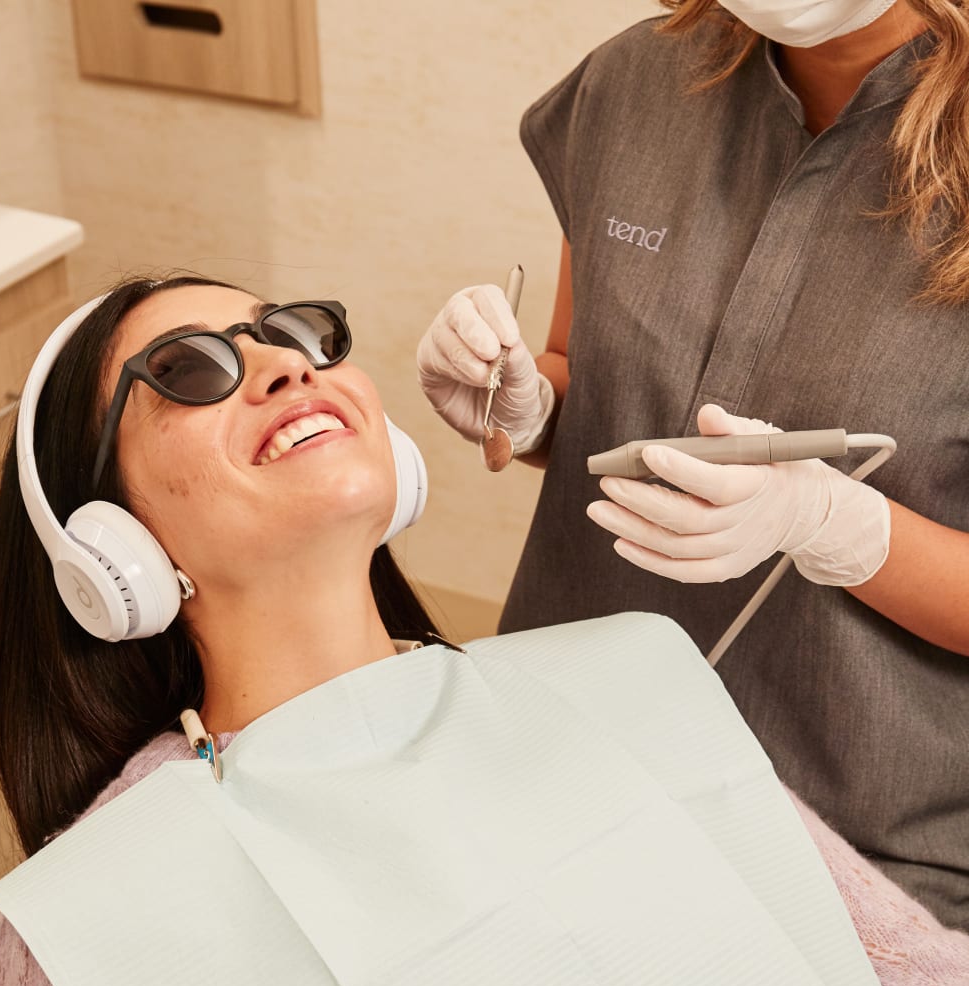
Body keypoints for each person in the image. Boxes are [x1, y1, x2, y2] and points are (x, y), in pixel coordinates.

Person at [0, 276, 969, 986]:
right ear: (110, 547)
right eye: (189, 369)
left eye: (289, 330)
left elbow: (917, 972)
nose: (283, 362)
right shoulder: (99, 905)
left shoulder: (625, 681)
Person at [415, 0, 969, 934]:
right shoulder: (636, 84)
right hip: (561, 755)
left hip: (857, 837)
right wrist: (530, 404)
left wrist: (842, 528)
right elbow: (580, 375)